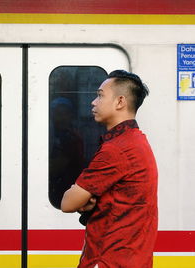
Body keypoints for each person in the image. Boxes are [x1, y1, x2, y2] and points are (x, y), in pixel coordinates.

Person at [61, 70, 158, 268]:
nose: (93, 102)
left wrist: (83, 198)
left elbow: (67, 203)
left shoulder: (117, 149)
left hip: (108, 259)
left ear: (120, 102)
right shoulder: (137, 141)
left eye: (100, 95)